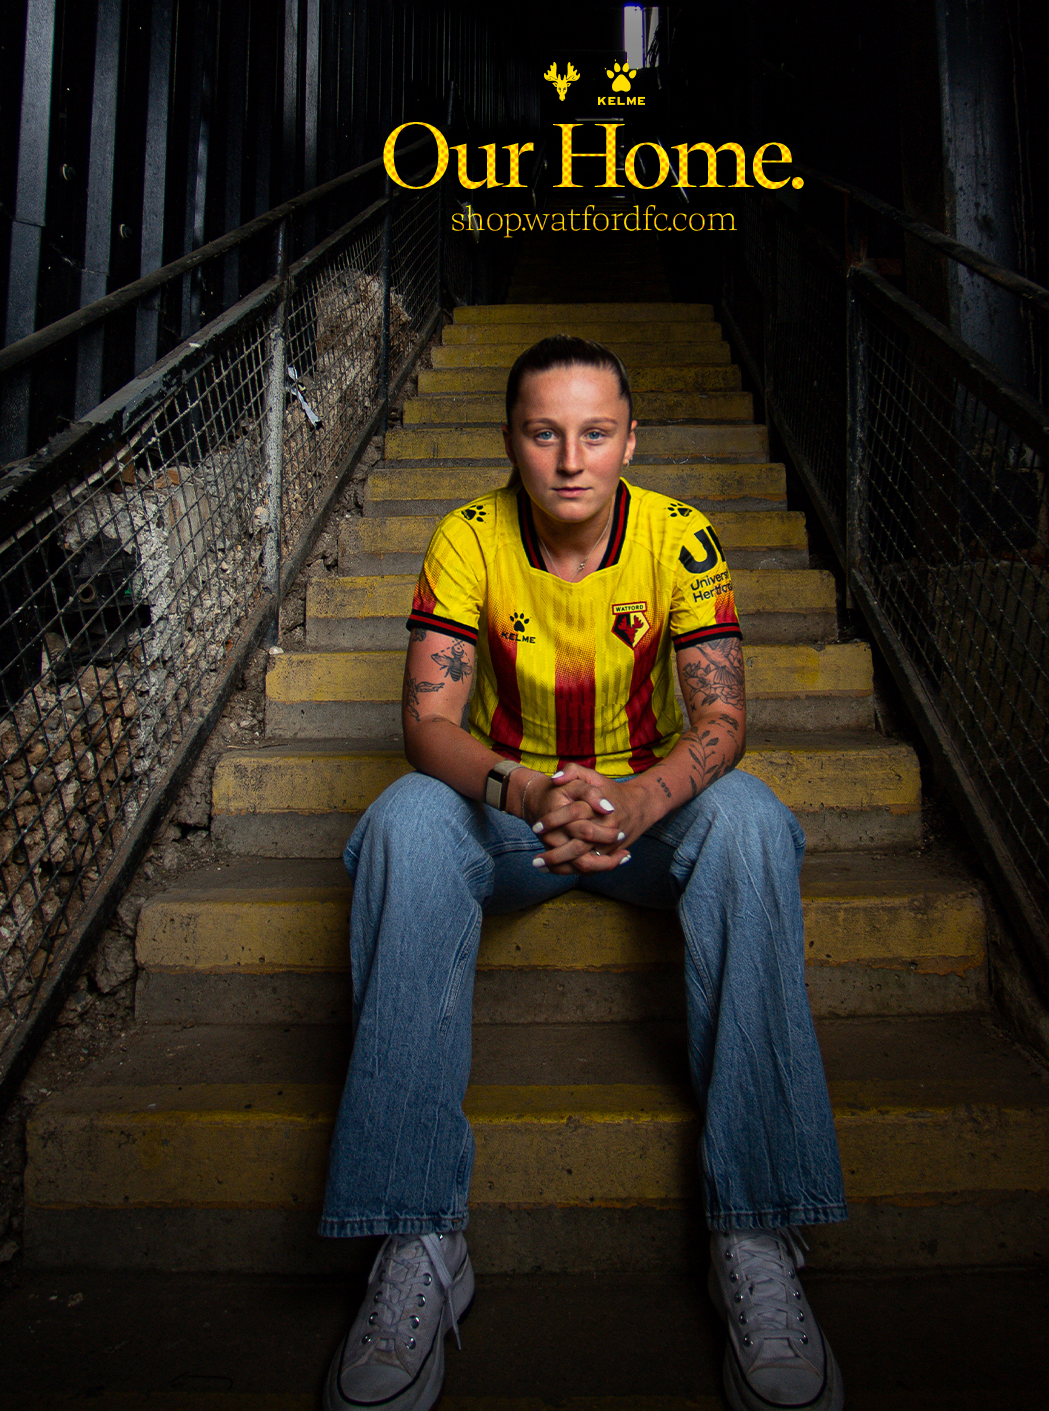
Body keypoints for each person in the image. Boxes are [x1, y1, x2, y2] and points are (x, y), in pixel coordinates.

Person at [321, 335, 848, 1411]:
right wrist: (525, 793)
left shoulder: (681, 536)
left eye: (595, 433)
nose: (570, 459)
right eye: (543, 432)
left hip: (649, 813)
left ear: (629, 441)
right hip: (516, 810)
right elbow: (427, 724)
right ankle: (417, 1239)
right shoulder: (467, 535)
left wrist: (641, 798)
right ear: (511, 441)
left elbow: (723, 719)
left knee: (751, 824)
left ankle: (754, 1235)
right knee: (401, 825)